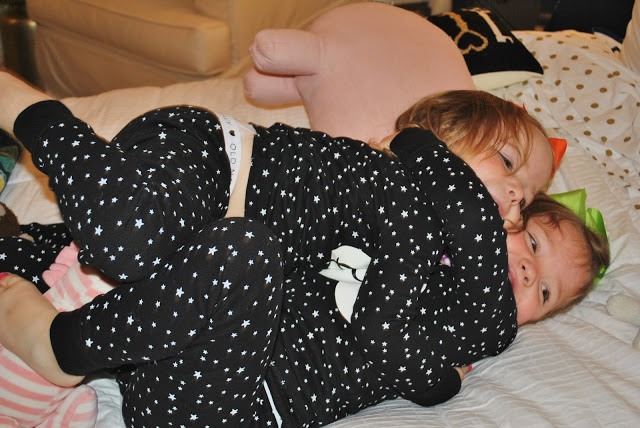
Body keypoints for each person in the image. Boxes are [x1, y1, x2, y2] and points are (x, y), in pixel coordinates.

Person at [0, 71, 561, 425]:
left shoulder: (419, 258)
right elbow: (389, 329)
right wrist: (436, 375)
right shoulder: (398, 185)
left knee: (231, 258)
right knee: (138, 239)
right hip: (215, 159)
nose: (517, 194)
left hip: (199, 391)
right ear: (436, 139)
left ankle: (23, 251)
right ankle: (27, 112)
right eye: (508, 163)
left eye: (529, 195)